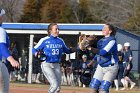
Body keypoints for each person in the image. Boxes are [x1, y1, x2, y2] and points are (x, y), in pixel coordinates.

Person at [32, 23, 76, 93]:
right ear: (50, 31)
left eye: (58, 29)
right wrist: (36, 53)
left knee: (58, 88)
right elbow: (34, 49)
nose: (58, 31)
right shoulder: (44, 40)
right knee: (54, 85)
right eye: (56, 29)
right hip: (47, 64)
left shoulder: (60, 40)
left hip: (56, 65)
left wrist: (78, 48)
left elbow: (67, 51)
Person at [86, 24, 119, 93]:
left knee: (103, 89)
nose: (103, 29)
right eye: (103, 28)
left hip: (111, 67)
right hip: (101, 66)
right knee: (93, 87)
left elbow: (103, 52)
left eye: (105, 28)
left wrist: (90, 48)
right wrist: (91, 63)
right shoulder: (101, 41)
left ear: (110, 31)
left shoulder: (112, 41)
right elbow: (98, 54)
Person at [0, 8, 19, 93]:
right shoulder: (1, 30)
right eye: (2, 16)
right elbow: (1, 46)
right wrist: (11, 59)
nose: (3, 18)